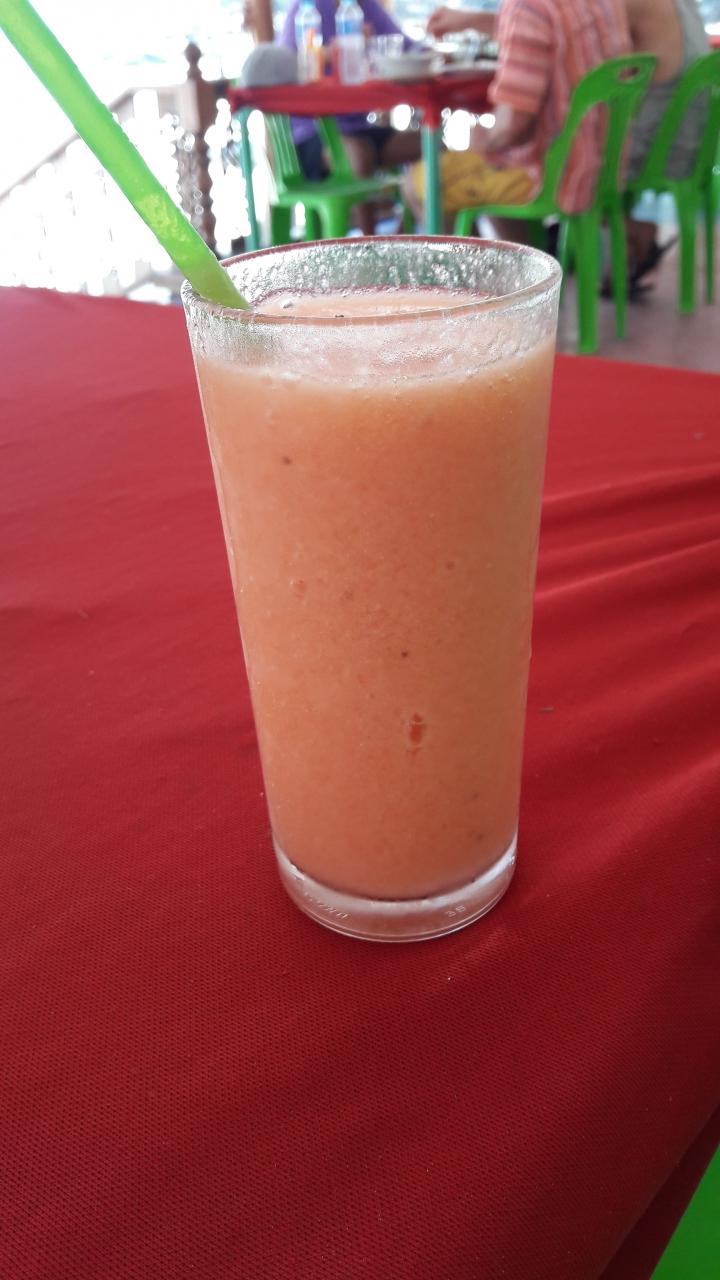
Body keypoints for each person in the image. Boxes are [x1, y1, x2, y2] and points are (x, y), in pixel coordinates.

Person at [405, 0, 632, 237]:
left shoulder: (527, 7)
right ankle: (518, 255)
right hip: (605, 165)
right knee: (489, 162)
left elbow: (510, 126)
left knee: (419, 183)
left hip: (556, 175)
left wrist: (481, 141)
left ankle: (479, 261)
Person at [276, 0, 422, 232]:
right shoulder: (304, 10)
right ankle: (367, 243)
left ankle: (402, 237)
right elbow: (280, 66)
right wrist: (325, 55)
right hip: (311, 134)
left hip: (358, 126)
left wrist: (437, 53)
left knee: (428, 143)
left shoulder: (365, 6)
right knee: (357, 154)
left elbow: (407, 47)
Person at [624, 0, 710, 288]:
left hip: (661, 150)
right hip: (695, 145)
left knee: (566, 159)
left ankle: (631, 234)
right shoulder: (687, 5)